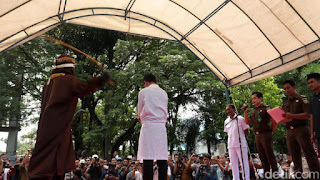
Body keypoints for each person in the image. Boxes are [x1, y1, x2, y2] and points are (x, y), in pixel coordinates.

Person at [28, 55, 110, 180]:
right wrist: (100, 80)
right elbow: (83, 87)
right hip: (59, 125)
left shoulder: (49, 82)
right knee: (53, 158)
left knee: (47, 155)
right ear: (70, 68)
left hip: (46, 125)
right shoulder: (67, 80)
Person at [282, 80, 320, 179]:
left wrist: (292, 116)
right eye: (285, 89)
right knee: (294, 155)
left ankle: (316, 175)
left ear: (294, 87)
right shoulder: (285, 102)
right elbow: (285, 117)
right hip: (289, 130)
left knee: (309, 153)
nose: (287, 90)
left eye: (288, 88)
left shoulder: (302, 99)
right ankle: (299, 176)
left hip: (301, 129)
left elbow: (308, 114)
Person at [137, 73, 168, 180]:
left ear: (145, 82)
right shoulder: (164, 93)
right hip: (161, 128)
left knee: (148, 159)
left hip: (149, 126)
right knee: (162, 158)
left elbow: (139, 112)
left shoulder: (143, 92)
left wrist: (142, 118)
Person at [244, 92, 278, 178]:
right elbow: (247, 122)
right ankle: (267, 176)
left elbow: (274, 121)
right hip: (257, 135)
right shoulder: (253, 111)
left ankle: (275, 176)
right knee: (262, 157)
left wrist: (270, 132)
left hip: (265, 134)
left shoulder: (266, 108)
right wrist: (245, 112)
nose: (253, 100)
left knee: (270, 156)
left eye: (255, 98)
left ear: (260, 98)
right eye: (252, 99)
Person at [224, 104, 250, 180]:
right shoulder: (226, 121)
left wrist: (242, 140)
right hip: (231, 145)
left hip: (240, 144)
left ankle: (246, 178)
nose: (228, 111)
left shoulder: (240, 119)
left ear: (234, 109)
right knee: (233, 164)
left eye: (229, 109)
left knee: (244, 163)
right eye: (227, 110)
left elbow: (246, 130)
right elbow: (227, 133)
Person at [307, 73, 320, 150]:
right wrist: (312, 133)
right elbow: (311, 116)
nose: (310, 85)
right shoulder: (312, 99)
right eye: (309, 83)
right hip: (318, 132)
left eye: (312, 82)